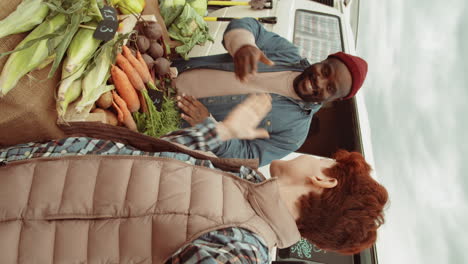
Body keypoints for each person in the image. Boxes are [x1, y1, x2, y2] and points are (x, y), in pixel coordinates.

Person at [0, 94, 388, 263]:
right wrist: (222, 131)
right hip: (13, 171)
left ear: (326, 180)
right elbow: (150, 158)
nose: (307, 155)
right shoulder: (244, 184)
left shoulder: (242, 245)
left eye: (326, 160)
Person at [173, 17, 368, 166]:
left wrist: (210, 129)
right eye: (326, 71)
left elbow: (248, 157)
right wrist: (243, 44)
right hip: (165, 73)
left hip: (167, 123)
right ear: (324, 60)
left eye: (330, 88)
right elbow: (249, 25)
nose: (320, 81)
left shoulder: (295, 132)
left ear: (335, 99)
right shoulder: (287, 54)